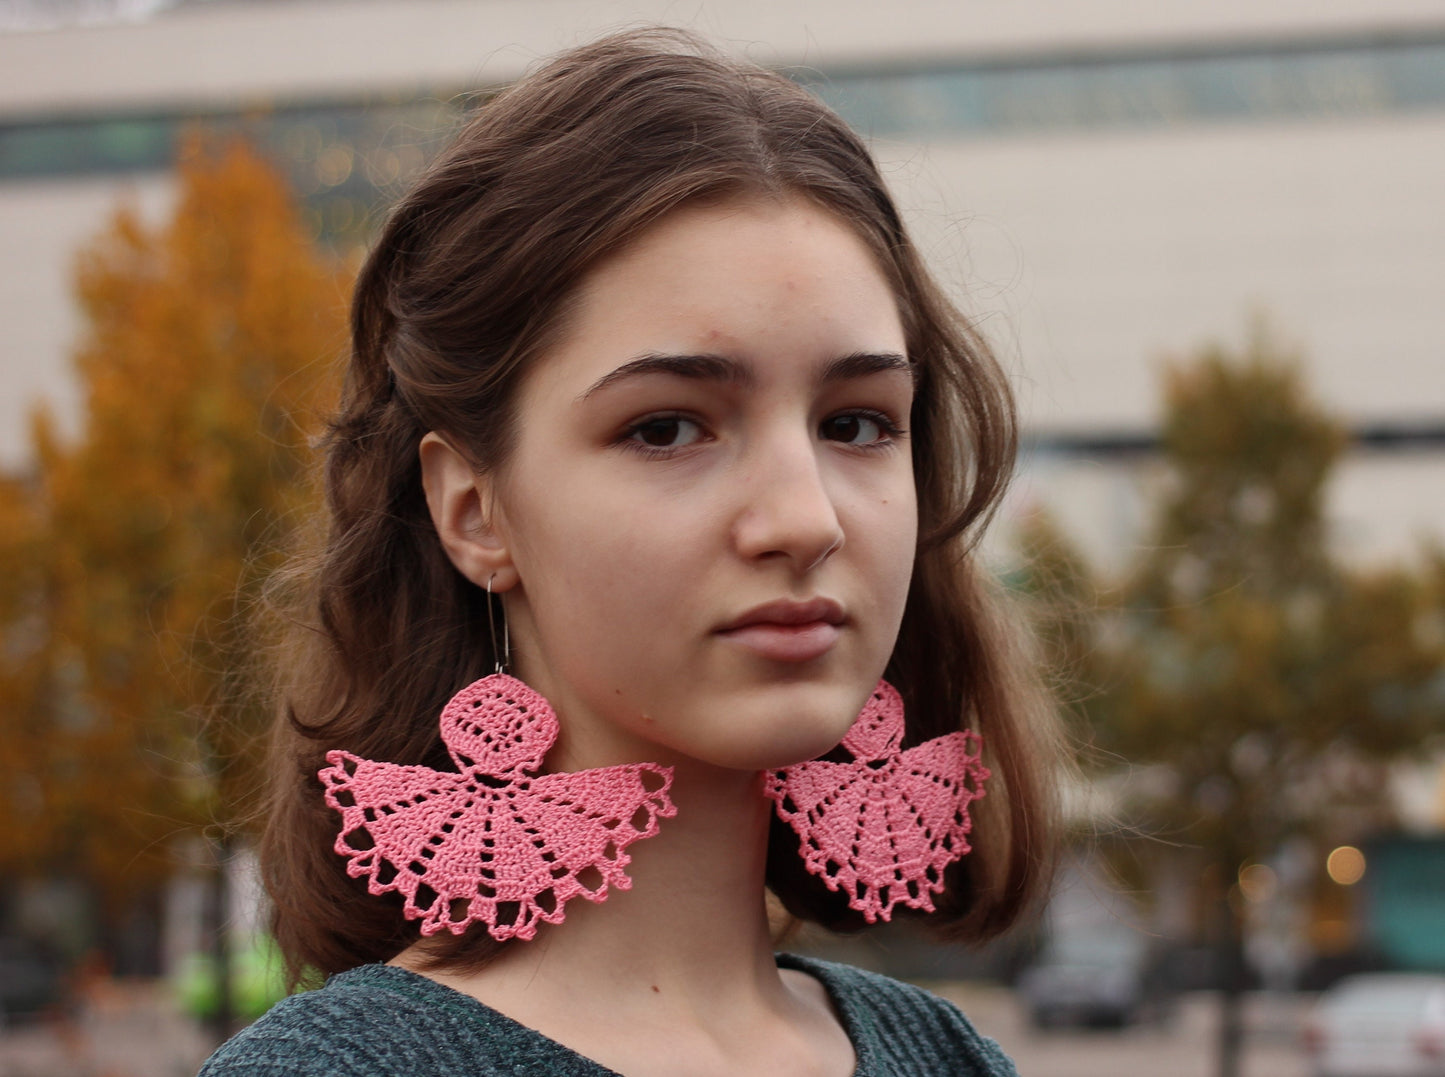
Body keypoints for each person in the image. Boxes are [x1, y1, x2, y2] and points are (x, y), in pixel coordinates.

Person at [200, 27, 1063, 1077]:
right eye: (666, 427)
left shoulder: (946, 1059)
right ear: (475, 512)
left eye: (855, 424)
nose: (806, 518)